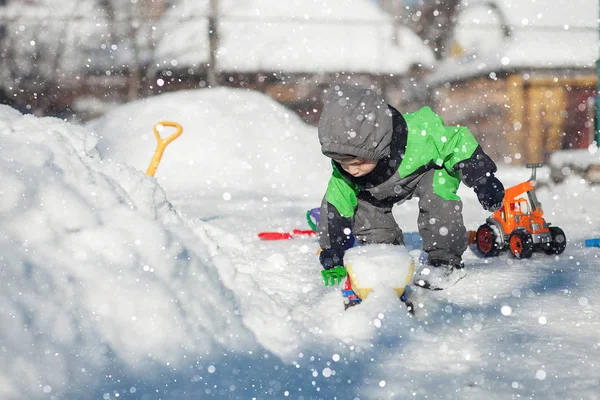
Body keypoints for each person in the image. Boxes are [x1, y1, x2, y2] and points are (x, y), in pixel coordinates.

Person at [317, 85, 504, 291]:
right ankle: (387, 254)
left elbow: (457, 142)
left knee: (438, 198)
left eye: (359, 162)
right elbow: (335, 207)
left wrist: (483, 178)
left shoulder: (419, 133)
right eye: (343, 163)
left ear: (380, 143)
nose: (353, 170)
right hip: (375, 191)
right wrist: (332, 250)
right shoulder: (347, 173)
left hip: (424, 173)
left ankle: (445, 260)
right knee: (365, 213)